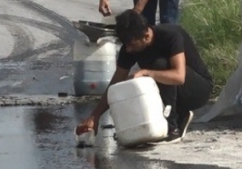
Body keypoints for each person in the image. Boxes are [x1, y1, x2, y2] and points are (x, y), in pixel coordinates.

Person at [76, 9, 213, 143]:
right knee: (131, 85)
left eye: (132, 45)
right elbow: (116, 82)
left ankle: (172, 128)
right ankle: (179, 113)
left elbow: (179, 76)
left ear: (146, 35)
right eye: (126, 45)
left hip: (198, 90)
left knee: (160, 65)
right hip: (175, 92)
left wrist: (147, 73)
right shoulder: (129, 46)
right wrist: (95, 116)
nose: (129, 49)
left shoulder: (171, 35)